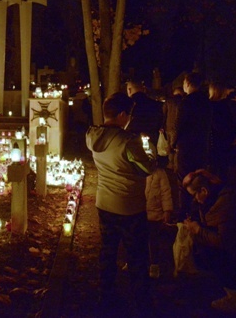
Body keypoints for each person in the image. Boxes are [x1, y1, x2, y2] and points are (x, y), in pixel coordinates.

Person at [86, 92, 156, 313]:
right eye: (129, 115)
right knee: (136, 255)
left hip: (104, 203)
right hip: (129, 206)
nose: (130, 120)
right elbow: (147, 169)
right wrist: (150, 151)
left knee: (108, 252)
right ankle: (141, 303)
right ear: (122, 114)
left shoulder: (92, 136)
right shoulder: (128, 141)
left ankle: (105, 297)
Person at [182, 169, 236, 314]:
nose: (195, 199)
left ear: (204, 190)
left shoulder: (226, 202)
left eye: (195, 194)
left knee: (208, 253)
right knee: (202, 246)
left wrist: (198, 230)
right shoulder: (215, 196)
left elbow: (224, 241)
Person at [175, 72, 211, 218]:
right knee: (199, 179)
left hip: (187, 146)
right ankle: (198, 212)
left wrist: (174, 142)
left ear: (188, 83)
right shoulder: (207, 102)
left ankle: (183, 213)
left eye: (184, 82)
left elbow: (180, 125)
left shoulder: (187, 102)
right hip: (201, 146)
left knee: (184, 179)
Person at [208, 81, 236, 181]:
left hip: (216, 143)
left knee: (216, 171)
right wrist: (234, 137)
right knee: (222, 172)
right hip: (222, 143)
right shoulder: (223, 106)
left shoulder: (212, 106)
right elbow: (227, 125)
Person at [145, 167, 173, 279]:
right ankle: (137, 261)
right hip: (140, 212)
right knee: (138, 238)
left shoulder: (160, 174)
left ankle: (154, 265)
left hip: (155, 214)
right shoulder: (138, 171)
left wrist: (167, 210)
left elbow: (166, 192)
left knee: (153, 241)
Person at [126, 79, 164, 152]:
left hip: (134, 140)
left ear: (129, 90)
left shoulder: (128, 105)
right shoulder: (155, 104)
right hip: (152, 138)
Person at [163, 86, 184, 173]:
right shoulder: (183, 102)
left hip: (168, 126)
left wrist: (162, 126)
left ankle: (170, 164)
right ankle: (176, 166)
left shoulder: (168, 101)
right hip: (179, 127)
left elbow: (164, 114)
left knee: (169, 146)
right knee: (177, 147)